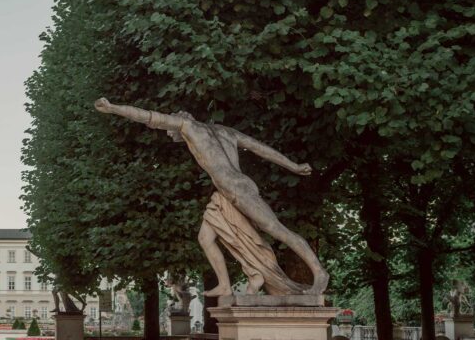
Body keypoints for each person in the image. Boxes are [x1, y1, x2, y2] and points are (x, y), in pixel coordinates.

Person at [94, 98, 328, 296]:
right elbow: (261, 148)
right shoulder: (226, 131)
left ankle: (319, 272)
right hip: (228, 192)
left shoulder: (187, 126)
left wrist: (113, 108)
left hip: (236, 190)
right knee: (206, 238)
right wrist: (293, 166)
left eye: (170, 132)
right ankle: (228, 284)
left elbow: (148, 117)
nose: (171, 136)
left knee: (276, 229)